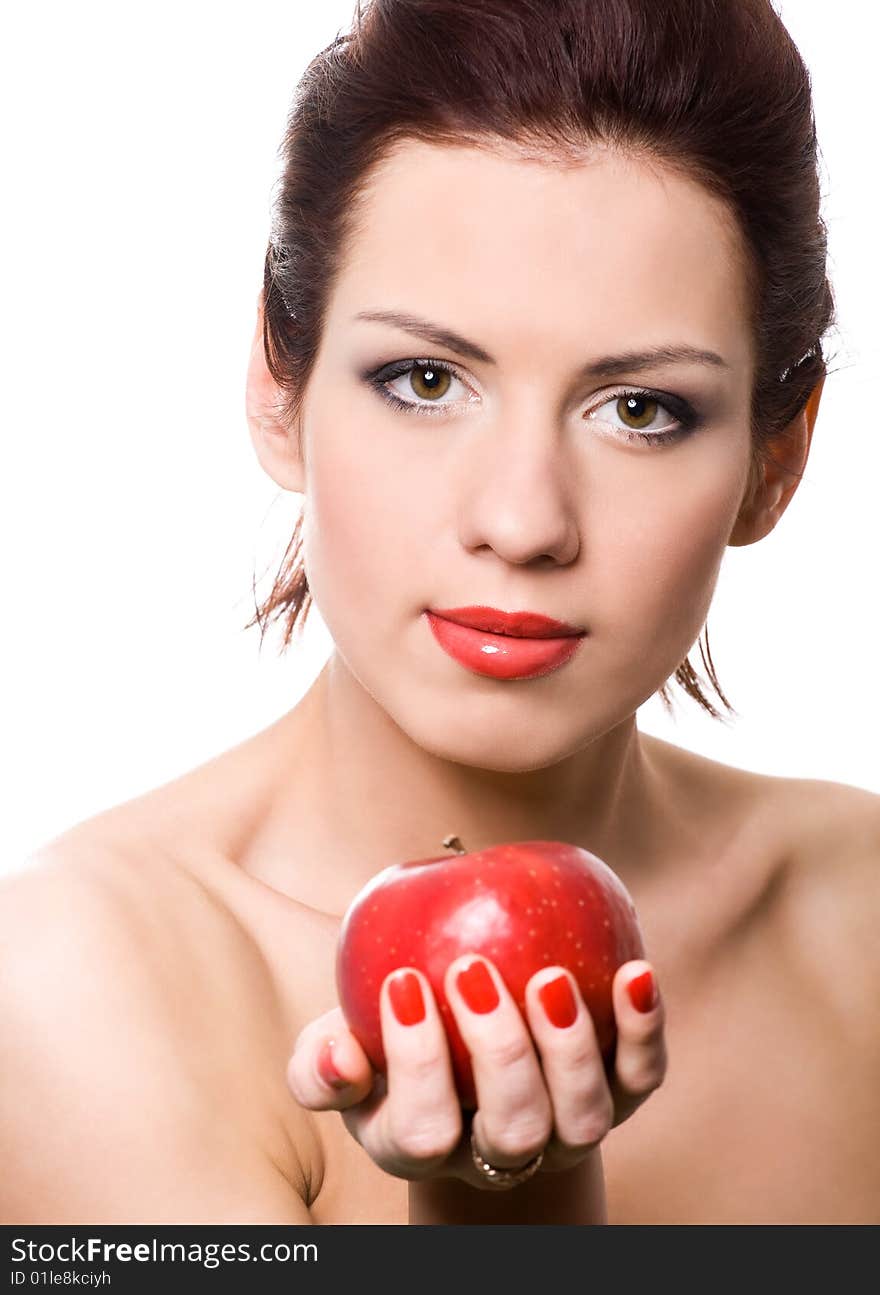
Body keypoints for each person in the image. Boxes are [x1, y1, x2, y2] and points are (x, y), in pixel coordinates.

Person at [3, 0, 878, 1226]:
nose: (522, 520)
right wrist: (499, 1204)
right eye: (424, 380)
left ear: (777, 457)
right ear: (278, 384)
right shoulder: (71, 980)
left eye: (638, 410)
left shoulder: (863, 916)